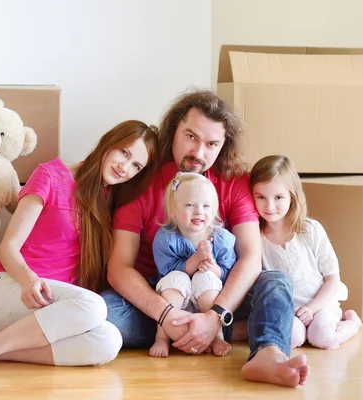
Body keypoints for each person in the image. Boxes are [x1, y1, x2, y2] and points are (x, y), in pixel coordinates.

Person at [101, 89, 310, 388]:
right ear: (173, 131)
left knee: (275, 283)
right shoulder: (141, 179)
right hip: (161, 292)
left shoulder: (235, 181)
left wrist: (215, 314)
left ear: (223, 146)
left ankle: (267, 354)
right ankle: (225, 331)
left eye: (211, 144)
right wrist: (166, 316)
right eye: (191, 137)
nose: (199, 152)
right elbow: (119, 267)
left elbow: (251, 258)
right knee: (103, 312)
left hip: (221, 292)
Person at [0, 120, 159, 380]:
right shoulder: (51, 174)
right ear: (108, 143)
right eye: (124, 152)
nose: (125, 167)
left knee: (109, 340)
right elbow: (8, 248)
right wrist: (28, 280)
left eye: (136, 166)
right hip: (14, 289)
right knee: (96, 307)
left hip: (51, 311)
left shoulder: (107, 199)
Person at [249, 154, 363, 350]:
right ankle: (306, 329)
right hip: (289, 311)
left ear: (291, 196)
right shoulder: (255, 237)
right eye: (261, 197)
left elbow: (332, 279)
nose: (269, 206)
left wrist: (312, 309)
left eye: (278, 197)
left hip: (321, 304)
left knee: (323, 338)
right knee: (290, 339)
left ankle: (352, 322)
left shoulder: (310, 230)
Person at [150, 172, 236, 358]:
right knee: (176, 278)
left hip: (207, 302)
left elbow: (227, 274)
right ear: (173, 211)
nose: (199, 211)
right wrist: (196, 259)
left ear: (213, 210)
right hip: (176, 301)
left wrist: (212, 266)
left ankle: (216, 335)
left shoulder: (222, 239)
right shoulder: (166, 238)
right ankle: (162, 337)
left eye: (206, 206)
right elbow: (167, 270)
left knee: (207, 277)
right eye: (190, 205)